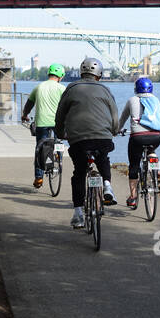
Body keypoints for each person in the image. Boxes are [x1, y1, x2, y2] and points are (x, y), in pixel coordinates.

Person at [55, 57, 120, 229]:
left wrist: (61, 133)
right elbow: (114, 116)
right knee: (103, 157)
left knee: (79, 173)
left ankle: (78, 214)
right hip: (102, 138)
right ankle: (107, 185)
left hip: (78, 140)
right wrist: (113, 131)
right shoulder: (106, 90)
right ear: (99, 74)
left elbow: (60, 115)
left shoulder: (71, 88)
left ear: (81, 72)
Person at [117, 76, 160, 209]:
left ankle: (133, 197)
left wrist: (116, 130)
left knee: (134, 165)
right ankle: (155, 168)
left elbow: (122, 119)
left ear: (136, 89)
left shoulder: (132, 100)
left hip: (137, 137)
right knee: (151, 149)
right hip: (156, 137)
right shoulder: (156, 100)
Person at [21, 63, 66, 188]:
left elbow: (29, 104)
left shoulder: (39, 87)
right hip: (58, 123)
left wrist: (25, 115)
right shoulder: (62, 89)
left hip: (42, 123)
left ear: (49, 74)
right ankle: (58, 158)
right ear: (60, 76)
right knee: (58, 142)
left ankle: (39, 177)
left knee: (40, 148)